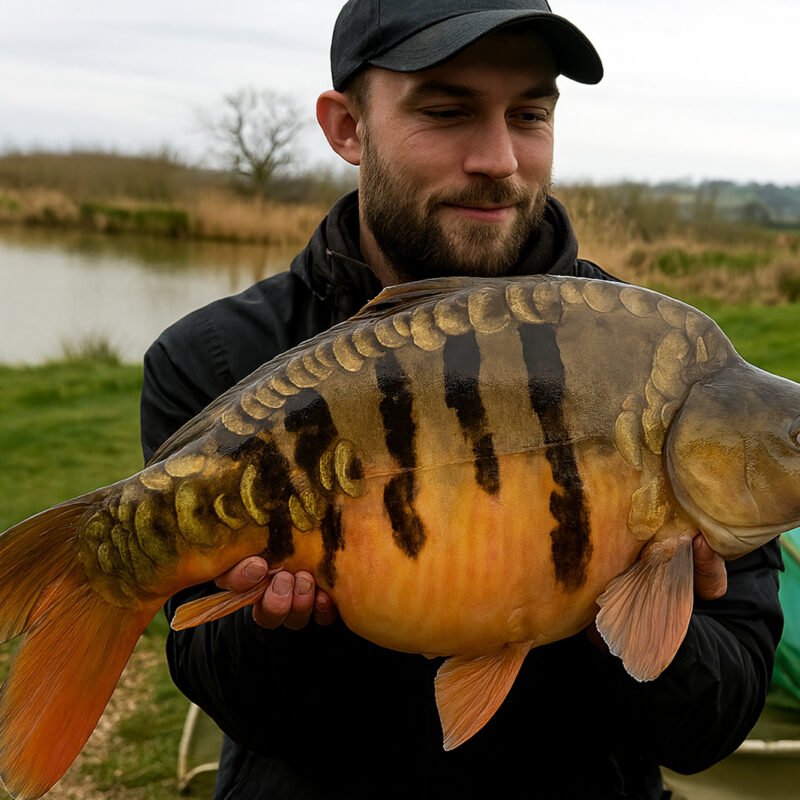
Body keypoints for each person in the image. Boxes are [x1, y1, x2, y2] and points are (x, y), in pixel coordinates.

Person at [140, 2, 783, 797]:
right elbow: (220, 684)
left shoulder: (668, 378)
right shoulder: (216, 360)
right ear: (347, 127)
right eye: (446, 111)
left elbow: (714, 724)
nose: (498, 158)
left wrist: (612, 595)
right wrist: (290, 630)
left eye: (530, 113)